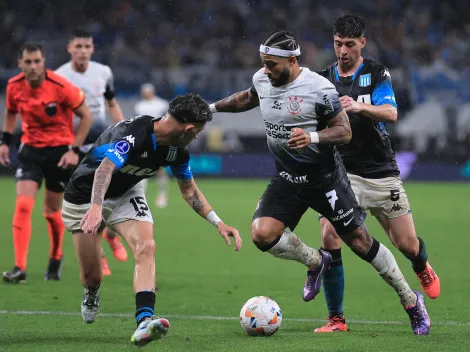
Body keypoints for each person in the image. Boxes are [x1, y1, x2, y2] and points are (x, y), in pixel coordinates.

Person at [209, 31, 430, 335]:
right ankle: (315, 261)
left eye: (272, 64)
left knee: (359, 242)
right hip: (288, 178)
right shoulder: (263, 78)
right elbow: (247, 98)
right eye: (263, 64)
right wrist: (210, 109)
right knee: (262, 235)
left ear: (292, 60)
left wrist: (312, 136)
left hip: (325, 178)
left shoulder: (318, 88)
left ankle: (410, 300)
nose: (267, 70)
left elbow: (344, 131)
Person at [61, 93, 242, 346]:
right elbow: (105, 168)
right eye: (198, 131)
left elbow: (188, 190)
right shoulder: (135, 133)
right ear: (188, 128)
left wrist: (218, 222)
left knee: (146, 246)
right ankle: (91, 292)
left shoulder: (177, 152)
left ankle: (144, 321)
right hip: (85, 195)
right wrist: (95, 208)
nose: (197, 136)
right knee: (93, 277)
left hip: (126, 192)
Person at [312, 13, 440, 333]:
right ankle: (336, 318)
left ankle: (421, 265)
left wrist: (357, 107)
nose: (343, 51)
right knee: (329, 232)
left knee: (406, 244)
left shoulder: (376, 72)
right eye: (338, 44)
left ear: (362, 44)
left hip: (381, 171)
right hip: (344, 173)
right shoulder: (322, 79)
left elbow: (391, 113)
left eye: (350, 45)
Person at [0, 43, 92, 283]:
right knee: (22, 206)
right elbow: (10, 111)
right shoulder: (13, 86)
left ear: (44, 62)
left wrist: (74, 150)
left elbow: (86, 116)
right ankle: (19, 267)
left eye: (37, 61)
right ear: (20, 63)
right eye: (27, 62)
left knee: (51, 212)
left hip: (59, 154)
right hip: (30, 151)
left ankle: (56, 256)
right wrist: (4, 141)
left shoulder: (61, 87)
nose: (32, 66)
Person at [56, 29, 128, 275]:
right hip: (74, 146)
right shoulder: (59, 77)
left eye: (87, 46)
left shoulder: (103, 72)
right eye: (78, 46)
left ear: (92, 49)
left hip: (101, 143)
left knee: (108, 196)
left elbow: (110, 103)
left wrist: (124, 131)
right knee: (85, 202)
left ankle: (109, 234)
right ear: (70, 48)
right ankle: (99, 254)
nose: (83, 51)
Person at [134, 83, 170, 208]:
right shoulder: (139, 106)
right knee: (142, 166)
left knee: (160, 168)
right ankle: (141, 196)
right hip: (144, 139)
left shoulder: (162, 104)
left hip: (159, 139)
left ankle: (162, 193)